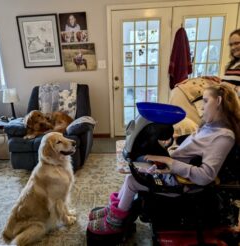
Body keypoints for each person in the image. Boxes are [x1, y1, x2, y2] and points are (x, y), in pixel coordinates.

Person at [87, 84, 240, 235]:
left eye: (206, 101)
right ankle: (113, 209)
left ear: (219, 101)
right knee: (133, 172)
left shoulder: (223, 137)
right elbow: (192, 152)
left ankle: (115, 222)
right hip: (174, 174)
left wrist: (169, 162)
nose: (202, 107)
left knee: (132, 181)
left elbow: (206, 176)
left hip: (181, 184)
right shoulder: (210, 128)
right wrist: (170, 150)